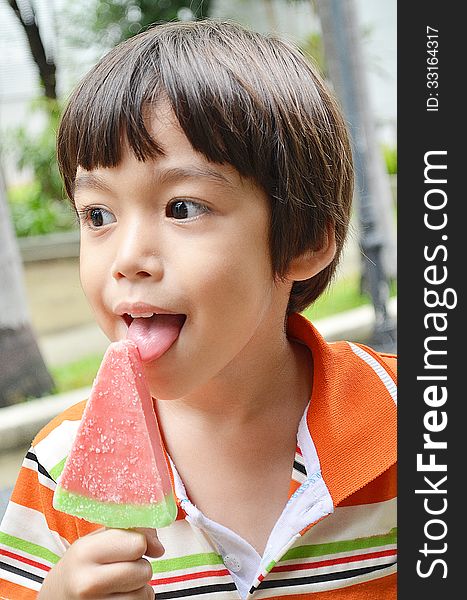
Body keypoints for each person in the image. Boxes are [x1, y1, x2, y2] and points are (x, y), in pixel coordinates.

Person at [0, 19, 397, 600]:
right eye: (97, 216)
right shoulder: (59, 469)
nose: (129, 257)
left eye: (183, 207)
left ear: (306, 240)